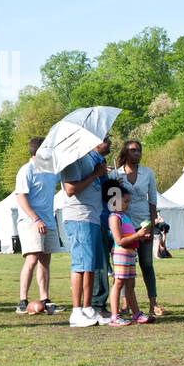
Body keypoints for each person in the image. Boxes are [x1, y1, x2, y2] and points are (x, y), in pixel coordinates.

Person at [62, 139, 111, 328]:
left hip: (92, 216)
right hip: (79, 216)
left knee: (91, 265)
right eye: (104, 138)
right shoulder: (72, 160)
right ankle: (76, 312)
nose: (107, 141)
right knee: (81, 265)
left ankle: (88, 308)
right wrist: (95, 174)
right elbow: (70, 189)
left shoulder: (87, 159)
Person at [111, 139, 161, 317]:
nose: (137, 153)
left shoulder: (148, 173)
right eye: (133, 150)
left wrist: (152, 225)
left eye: (139, 150)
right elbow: (111, 201)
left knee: (146, 263)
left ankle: (153, 302)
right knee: (125, 266)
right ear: (125, 153)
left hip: (144, 223)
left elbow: (153, 199)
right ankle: (126, 304)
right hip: (124, 225)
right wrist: (114, 184)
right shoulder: (116, 174)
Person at [15, 137, 62, 316]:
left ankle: (45, 299)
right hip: (30, 222)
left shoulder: (50, 170)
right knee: (32, 259)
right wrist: (36, 219)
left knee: (45, 261)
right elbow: (21, 197)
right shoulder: (26, 170)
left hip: (48, 221)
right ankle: (22, 300)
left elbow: (66, 176)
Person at [104, 179, 153, 325]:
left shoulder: (124, 217)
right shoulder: (114, 217)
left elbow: (128, 237)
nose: (127, 204)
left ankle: (136, 313)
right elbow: (119, 241)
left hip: (130, 254)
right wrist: (138, 235)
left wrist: (142, 237)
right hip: (121, 254)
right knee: (118, 283)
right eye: (125, 201)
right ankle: (114, 315)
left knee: (130, 285)